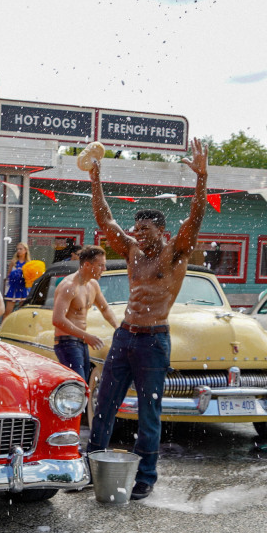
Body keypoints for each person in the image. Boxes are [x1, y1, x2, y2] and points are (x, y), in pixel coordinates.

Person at [87, 138, 209, 501]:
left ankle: (146, 477)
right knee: (104, 402)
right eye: (136, 230)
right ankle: (92, 466)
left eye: (146, 231)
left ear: (164, 233)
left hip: (154, 341)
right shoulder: (132, 250)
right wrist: (96, 175)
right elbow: (104, 218)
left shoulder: (176, 252)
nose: (139, 235)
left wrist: (202, 179)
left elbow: (196, 217)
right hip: (125, 336)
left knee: (148, 412)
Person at [51, 246, 119, 384]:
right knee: (78, 384)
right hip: (67, 342)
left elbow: (105, 308)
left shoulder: (92, 285)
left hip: (81, 342)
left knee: (84, 384)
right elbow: (57, 319)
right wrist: (87, 336)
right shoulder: (69, 286)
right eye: (100, 265)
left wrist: (118, 328)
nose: (104, 269)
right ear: (87, 265)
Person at [3, 242, 31, 314]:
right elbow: (8, 275)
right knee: (7, 312)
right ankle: (4, 325)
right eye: (17, 249)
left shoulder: (28, 263)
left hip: (24, 289)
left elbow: (30, 278)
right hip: (13, 289)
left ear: (25, 250)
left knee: (22, 313)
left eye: (20, 249)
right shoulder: (14, 262)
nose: (18, 251)